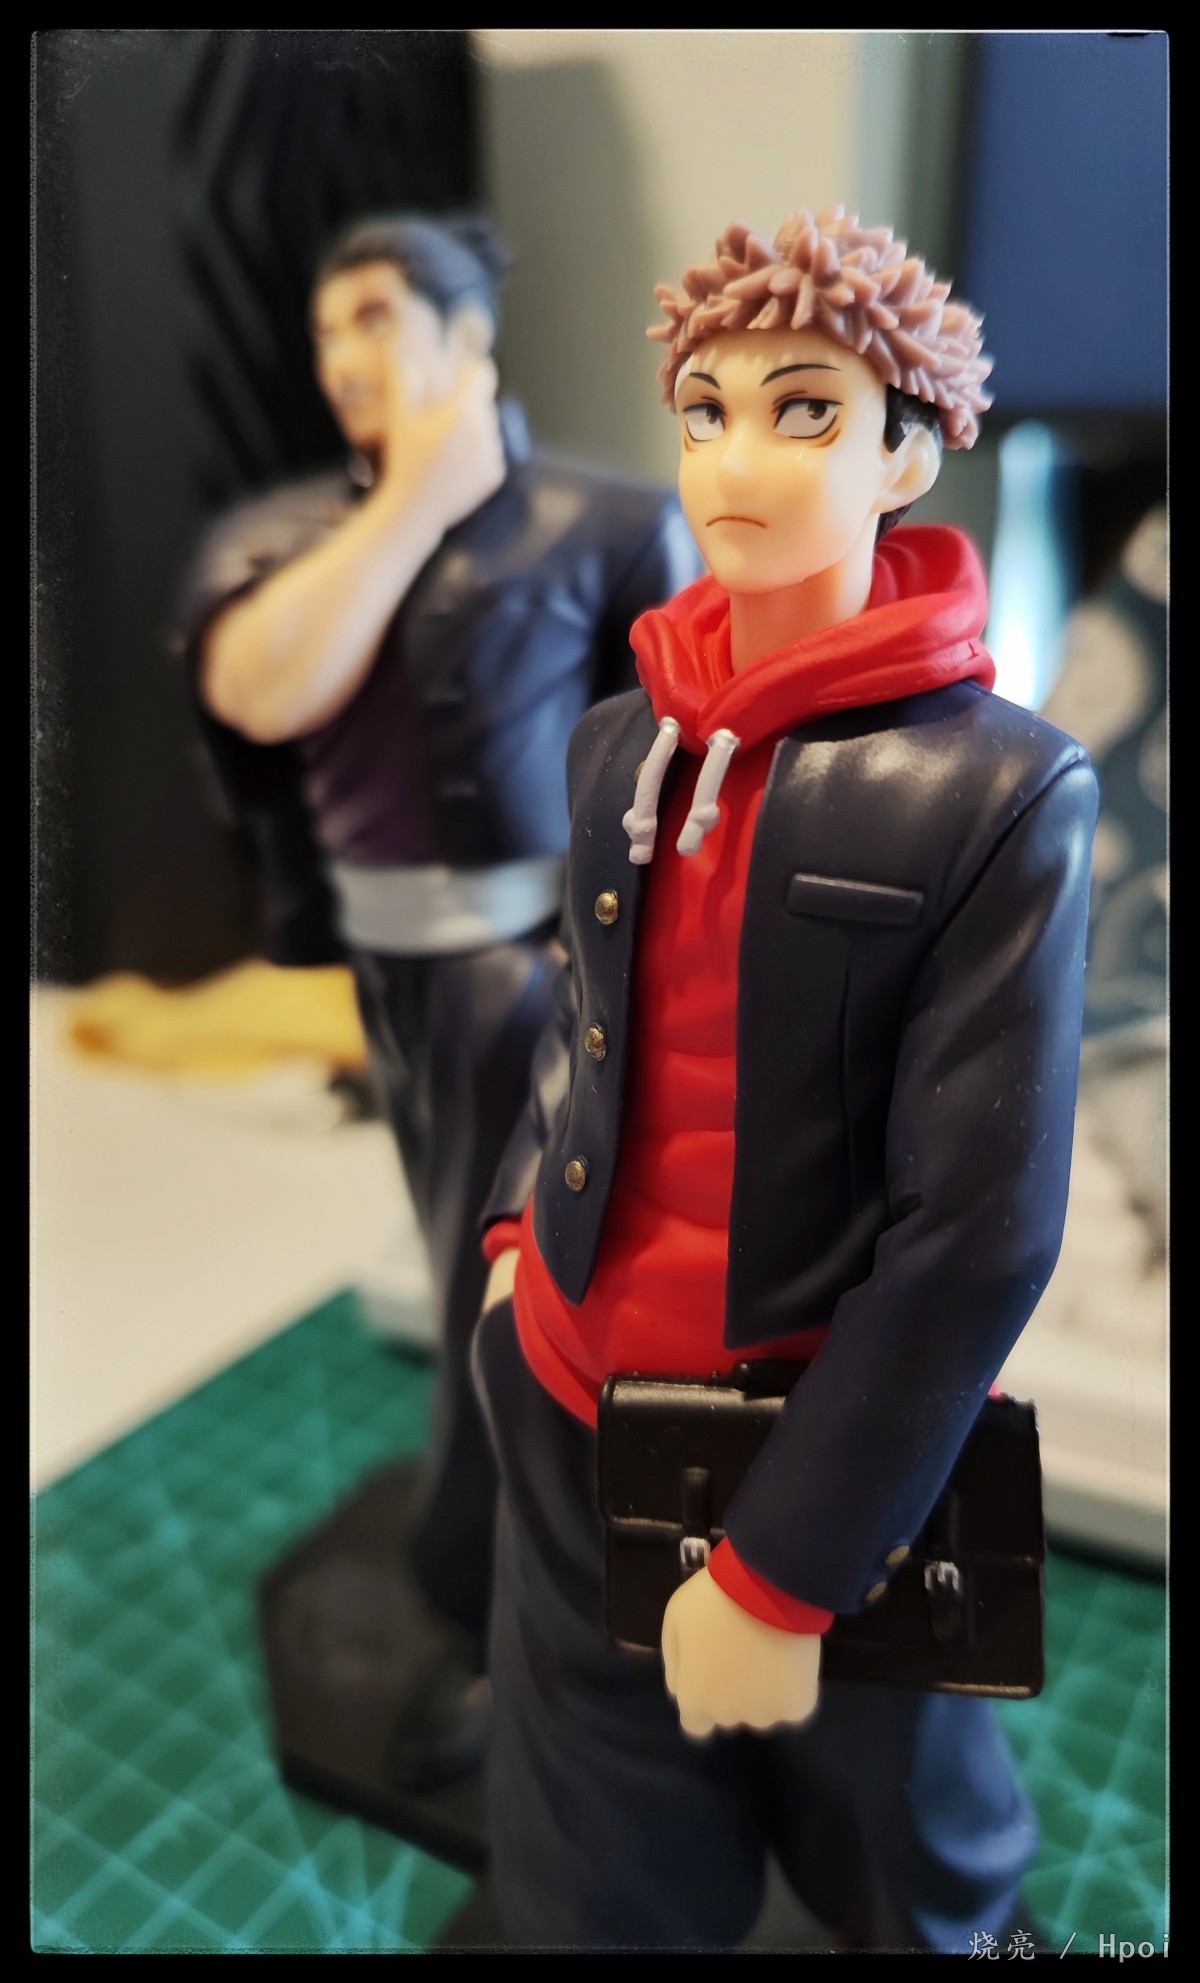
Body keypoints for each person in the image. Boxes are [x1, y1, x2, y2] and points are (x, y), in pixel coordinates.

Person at [474, 207, 1098, 1950]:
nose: (736, 459)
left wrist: (788, 1565)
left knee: (912, 1856)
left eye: (803, 410)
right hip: (572, 1387)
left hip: (830, 1446)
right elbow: (578, 1023)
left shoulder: (997, 796)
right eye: (706, 408)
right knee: (594, 1851)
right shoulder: (620, 740)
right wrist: (518, 1249)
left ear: (906, 452)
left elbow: (977, 1235)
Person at [176, 213, 700, 1787]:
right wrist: (413, 496)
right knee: (457, 1273)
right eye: (324, 327)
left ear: (471, 338)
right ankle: (505, 1593)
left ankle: (498, 1620)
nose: (343, 356)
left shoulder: (607, 519)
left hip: (538, 977)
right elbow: (256, 690)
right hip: (388, 982)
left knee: (509, 1311)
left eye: (379, 319)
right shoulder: (291, 536)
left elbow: (678, 771)